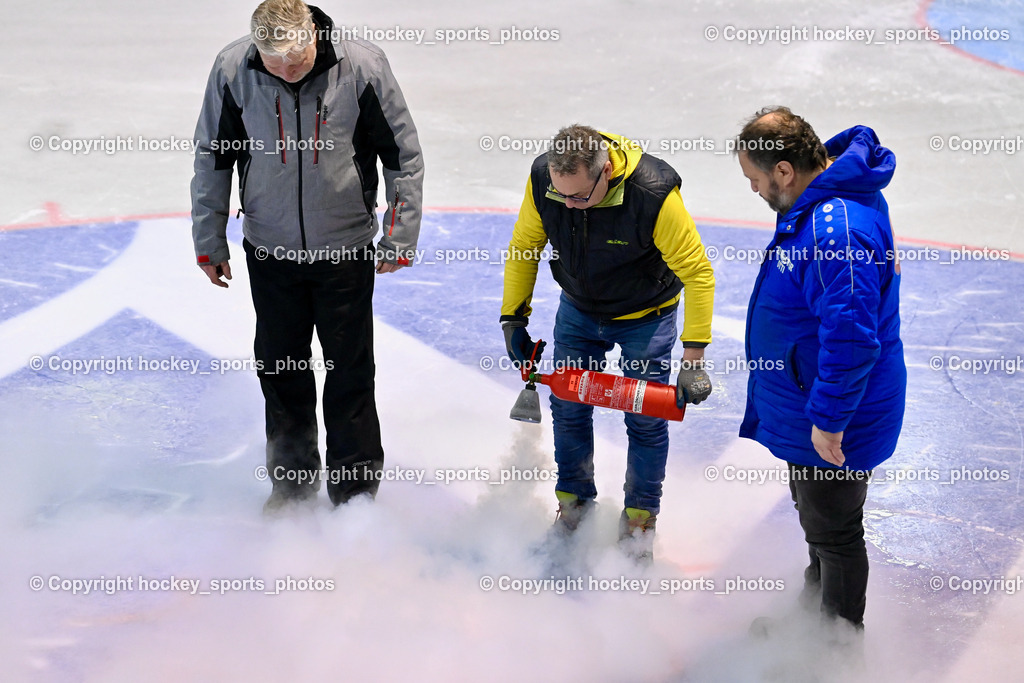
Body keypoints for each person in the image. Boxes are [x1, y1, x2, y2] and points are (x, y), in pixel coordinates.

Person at [190, 0, 423, 512]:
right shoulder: (234, 68)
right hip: (269, 250)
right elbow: (213, 158)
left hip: (344, 249)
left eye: (294, 62)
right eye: (273, 65)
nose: (286, 73)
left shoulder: (362, 66)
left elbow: (402, 156)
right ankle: (292, 488)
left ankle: (356, 494)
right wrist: (209, 238)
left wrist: (400, 234)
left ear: (312, 36)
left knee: (350, 373)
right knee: (281, 370)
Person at [500, 124, 715, 562]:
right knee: (570, 406)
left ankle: (639, 524)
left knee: (645, 418)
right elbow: (525, 245)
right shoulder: (547, 178)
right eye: (561, 196)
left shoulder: (653, 195)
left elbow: (698, 274)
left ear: (607, 172)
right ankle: (575, 510)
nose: (568, 203)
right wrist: (513, 319)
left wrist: (693, 359)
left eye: (579, 196)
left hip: (645, 317)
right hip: (579, 310)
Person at [734, 107, 906, 633]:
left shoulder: (837, 229)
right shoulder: (821, 201)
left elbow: (852, 339)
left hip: (839, 416)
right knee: (820, 525)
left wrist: (829, 418)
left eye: (756, 180)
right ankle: (813, 624)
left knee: (834, 533)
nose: (755, 191)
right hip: (813, 401)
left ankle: (835, 651)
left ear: (785, 170)